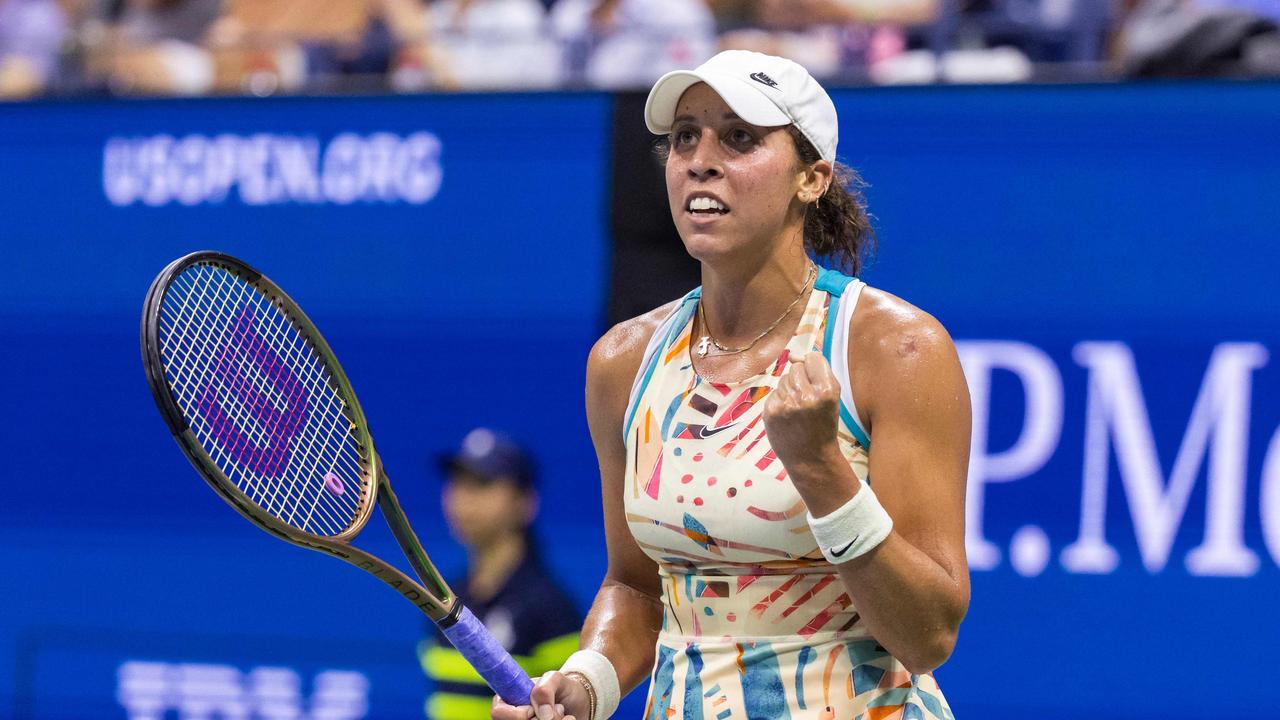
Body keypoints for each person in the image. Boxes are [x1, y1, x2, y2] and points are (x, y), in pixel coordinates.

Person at [493, 49, 970, 720]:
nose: (699, 158)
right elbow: (635, 588)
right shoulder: (622, 363)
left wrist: (822, 471)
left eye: (740, 137)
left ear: (812, 178)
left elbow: (929, 634)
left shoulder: (896, 349)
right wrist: (586, 683)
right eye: (685, 136)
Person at [421, 428, 582, 720]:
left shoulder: (553, 610)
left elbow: (571, 711)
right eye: (457, 482)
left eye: (482, 483)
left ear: (525, 503)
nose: (463, 497)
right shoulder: (443, 599)